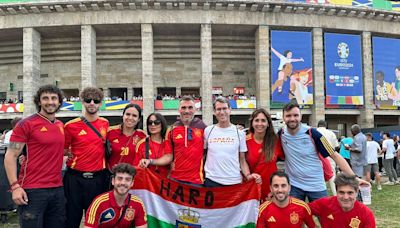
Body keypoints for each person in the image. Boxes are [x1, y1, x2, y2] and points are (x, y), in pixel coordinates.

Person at [278, 102, 368, 202]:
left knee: (325, 217)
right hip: (294, 186)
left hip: (316, 186)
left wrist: (354, 178)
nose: (292, 119)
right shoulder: (281, 134)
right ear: (283, 117)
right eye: (288, 116)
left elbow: (335, 155)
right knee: (294, 217)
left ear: (301, 116)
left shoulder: (313, 133)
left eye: (295, 115)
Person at [4, 85, 66, 227]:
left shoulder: (60, 125)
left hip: (57, 188)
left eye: (54, 98)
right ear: (39, 102)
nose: (50, 102)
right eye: (45, 98)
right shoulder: (25, 124)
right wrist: (15, 187)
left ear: (59, 102)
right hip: (33, 190)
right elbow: (10, 156)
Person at [63, 87, 110, 228]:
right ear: (82, 101)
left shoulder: (105, 123)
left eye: (96, 101)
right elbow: (64, 150)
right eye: (88, 100)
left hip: (98, 179)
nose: (92, 103)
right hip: (74, 179)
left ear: (100, 103)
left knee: (97, 219)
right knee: (71, 220)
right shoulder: (70, 126)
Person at [140, 95, 206, 186]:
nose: (187, 111)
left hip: (197, 181)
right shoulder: (171, 130)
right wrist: (151, 161)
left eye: (190, 107)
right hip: (175, 180)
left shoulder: (204, 128)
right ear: (179, 110)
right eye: (183, 108)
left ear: (195, 109)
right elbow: (168, 157)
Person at [203, 97, 261, 187]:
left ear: (230, 110)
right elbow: (203, 154)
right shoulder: (208, 131)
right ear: (214, 112)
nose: (222, 112)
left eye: (224, 108)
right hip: (211, 180)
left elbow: (242, 159)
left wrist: (248, 175)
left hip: (234, 181)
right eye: (218, 109)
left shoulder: (240, 133)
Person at [84, 163, 147, 228]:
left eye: (127, 179)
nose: (123, 183)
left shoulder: (138, 203)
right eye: (120, 178)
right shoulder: (99, 202)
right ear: (113, 181)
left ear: (132, 183)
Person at [309, 173, 376, 228]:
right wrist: (312, 225)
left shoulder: (366, 213)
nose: (346, 197)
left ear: (356, 192)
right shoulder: (324, 204)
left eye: (350, 193)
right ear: (336, 192)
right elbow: (302, 209)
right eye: (341, 192)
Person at [246, 108, 283, 200]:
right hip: (250, 190)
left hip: (271, 191)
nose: (260, 124)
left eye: (263, 121)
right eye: (257, 120)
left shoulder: (276, 141)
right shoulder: (244, 141)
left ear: (268, 124)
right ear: (252, 123)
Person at [107, 104, 146, 170]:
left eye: (134, 116)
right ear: (123, 115)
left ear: (139, 119)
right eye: (127, 114)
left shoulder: (142, 136)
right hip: (113, 176)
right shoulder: (110, 132)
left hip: (133, 177)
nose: (130, 118)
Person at [136, 113, 169, 177]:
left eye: (156, 122)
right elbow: (136, 167)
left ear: (162, 124)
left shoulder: (168, 142)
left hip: (166, 183)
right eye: (150, 122)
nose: (153, 125)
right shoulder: (141, 144)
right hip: (148, 182)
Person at [317, 120, 339, 196]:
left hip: (317, 157)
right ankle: (335, 194)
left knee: (319, 176)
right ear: (326, 125)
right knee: (332, 176)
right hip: (330, 156)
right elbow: (336, 146)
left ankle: (321, 193)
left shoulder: (314, 132)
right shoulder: (331, 133)